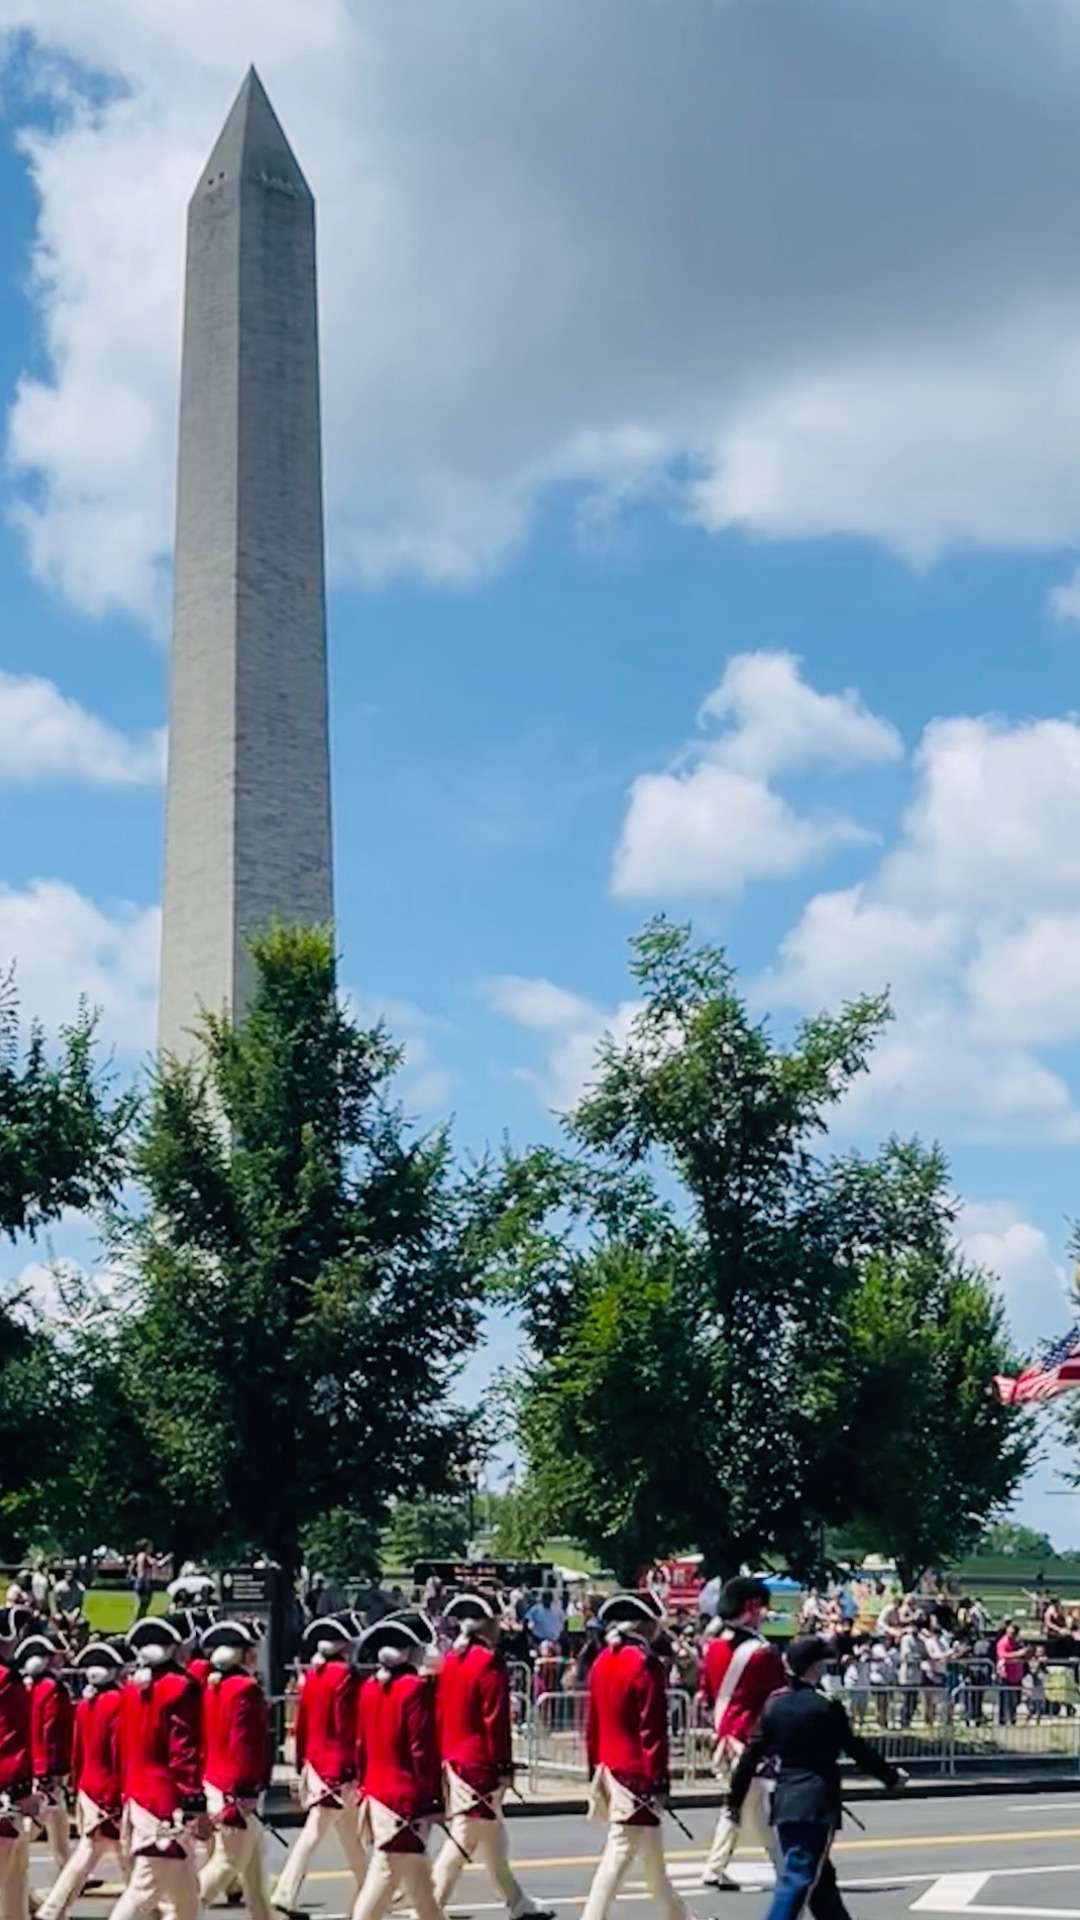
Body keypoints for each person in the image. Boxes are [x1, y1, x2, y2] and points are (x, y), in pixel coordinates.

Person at [729, 1635, 905, 1920]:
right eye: (821, 1664)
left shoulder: (773, 1705)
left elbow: (751, 1756)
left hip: (785, 1799)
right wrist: (890, 1776)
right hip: (816, 1801)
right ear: (812, 1668)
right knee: (798, 1878)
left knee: (821, 1883)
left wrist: (734, 1801)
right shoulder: (826, 1705)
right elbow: (856, 1748)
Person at [431, 1593, 553, 1920]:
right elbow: (494, 1720)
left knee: (494, 1839)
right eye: (497, 1621)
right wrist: (503, 1765)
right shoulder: (488, 1661)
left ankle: (517, 1901)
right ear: (486, 1625)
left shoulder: (452, 1660)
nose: (501, 1627)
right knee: (465, 1838)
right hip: (478, 1762)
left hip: (454, 1757)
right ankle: (429, 1906)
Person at [580, 1590, 688, 1920]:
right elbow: (651, 1729)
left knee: (654, 1866)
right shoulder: (645, 1664)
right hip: (637, 1770)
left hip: (610, 1765)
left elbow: (592, 1722)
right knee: (620, 1851)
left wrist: (593, 1764)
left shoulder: (603, 1660)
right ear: (643, 1625)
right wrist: (659, 1778)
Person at [108, 1615, 209, 1920]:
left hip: (138, 1795)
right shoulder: (181, 1688)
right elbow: (183, 1752)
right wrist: (195, 1804)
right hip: (165, 1802)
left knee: (186, 1897)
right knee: (145, 1889)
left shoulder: (131, 1688)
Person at [271, 1615, 367, 1918]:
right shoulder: (346, 1676)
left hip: (316, 1762)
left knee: (351, 1835)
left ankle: (370, 1888)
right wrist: (355, 1765)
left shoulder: (314, 1675)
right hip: (337, 1766)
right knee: (313, 1833)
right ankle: (285, 1892)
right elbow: (346, 1727)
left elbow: (302, 1723)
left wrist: (302, 1762)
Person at [352, 1613, 443, 1920]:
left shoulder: (368, 1687)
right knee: (386, 1873)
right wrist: (433, 1798)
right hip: (404, 1797)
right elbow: (421, 1750)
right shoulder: (415, 1689)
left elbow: (361, 1744)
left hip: (377, 1792)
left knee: (420, 1885)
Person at [700, 1576, 784, 1892]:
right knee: (748, 1805)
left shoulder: (713, 1648)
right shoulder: (763, 1652)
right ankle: (719, 1867)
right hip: (752, 1738)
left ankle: (721, 1867)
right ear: (751, 1609)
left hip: (725, 1736)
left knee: (749, 1806)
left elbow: (708, 1694)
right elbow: (778, 1697)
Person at [38, 1641, 127, 1920]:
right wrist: (116, 1797)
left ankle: (52, 1910)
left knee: (105, 1855)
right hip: (108, 1790)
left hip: (88, 1787)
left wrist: (76, 1785)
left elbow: (77, 1750)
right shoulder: (118, 1703)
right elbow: (118, 1753)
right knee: (124, 1858)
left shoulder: (87, 1704)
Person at [197, 1620, 272, 1920]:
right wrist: (246, 1788)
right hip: (234, 1787)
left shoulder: (214, 1686)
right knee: (226, 1862)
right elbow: (245, 1744)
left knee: (254, 1871)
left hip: (215, 1780)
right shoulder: (246, 1689)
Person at [18, 1632, 74, 1873]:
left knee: (58, 1822)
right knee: (34, 1825)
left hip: (34, 1761)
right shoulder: (53, 1689)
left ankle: (68, 1869)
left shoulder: (28, 1687)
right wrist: (52, 1768)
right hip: (48, 1765)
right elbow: (51, 1731)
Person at [0, 1605, 36, 1920]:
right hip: (5, 1790)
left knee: (15, 1879)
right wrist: (21, 1790)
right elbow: (10, 1740)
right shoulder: (7, 1680)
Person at [996, 1621, 1025, 1725]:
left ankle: (1013, 1718)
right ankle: (1003, 1720)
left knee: (1015, 1699)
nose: (1011, 1635)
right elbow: (1002, 1654)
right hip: (1005, 1675)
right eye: (1009, 1632)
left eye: (1013, 1633)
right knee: (1005, 1699)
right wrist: (1017, 1654)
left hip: (1017, 1675)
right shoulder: (1003, 1642)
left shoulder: (1018, 1642)